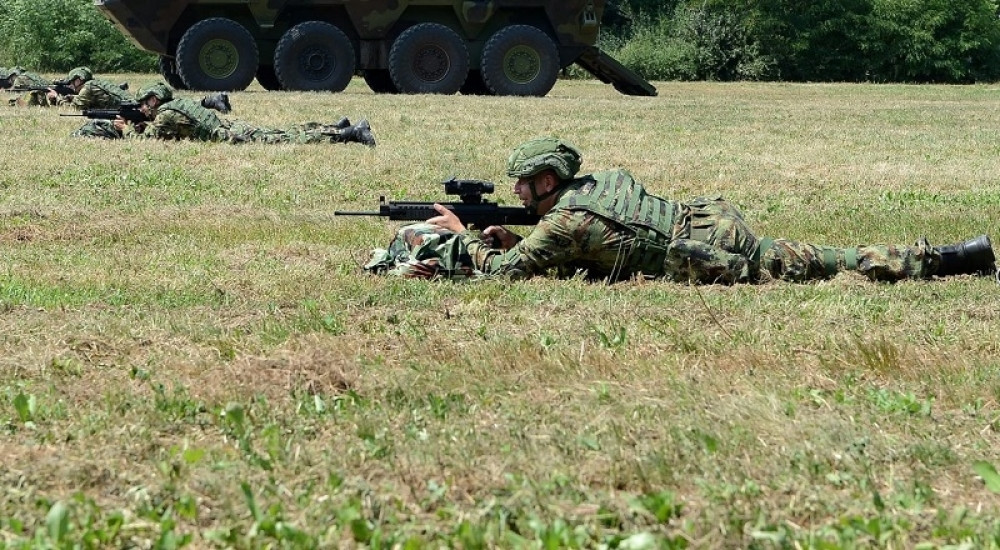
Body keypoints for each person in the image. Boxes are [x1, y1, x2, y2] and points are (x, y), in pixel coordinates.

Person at [365, 137, 996, 283]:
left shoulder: (567, 221)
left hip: (705, 252)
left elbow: (506, 275)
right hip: (708, 217)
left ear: (548, 181)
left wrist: (465, 235)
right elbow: (581, 244)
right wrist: (511, 234)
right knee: (818, 258)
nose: (520, 194)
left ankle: (947, 259)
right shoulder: (598, 184)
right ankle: (951, 255)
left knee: (828, 263)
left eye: (525, 186)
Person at [71, 81, 233, 139]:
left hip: (227, 137)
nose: (141, 108)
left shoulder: (165, 115)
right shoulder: (177, 104)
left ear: (153, 100)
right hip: (228, 128)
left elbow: (144, 141)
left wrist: (126, 129)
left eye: (142, 103)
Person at [8, 66, 92, 107]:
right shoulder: (90, 86)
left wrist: (56, 97)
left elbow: (72, 108)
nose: (71, 84)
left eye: (72, 81)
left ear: (79, 81)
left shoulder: (87, 89)